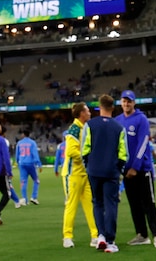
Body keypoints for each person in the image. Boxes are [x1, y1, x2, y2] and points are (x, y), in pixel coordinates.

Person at [115, 89, 156, 248]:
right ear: (121, 102)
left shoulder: (141, 119)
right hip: (126, 170)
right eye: (124, 101)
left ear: (134, 102)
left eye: (129, 101)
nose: (126, 103)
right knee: (134, 204)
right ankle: (142, 235)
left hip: (142, 169)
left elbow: (143, 143)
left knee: (149, 202)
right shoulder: (117, 120)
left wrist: (135, 167)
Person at [82, 94, 128, 253]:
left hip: (94, 170)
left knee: (97, 203)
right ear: (113, 108)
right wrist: (119, 169)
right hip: (111, 171)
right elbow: (123, 154)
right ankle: (110, 241)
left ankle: (101, 235)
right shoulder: (119, 127)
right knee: (111, 204)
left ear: (99, 107)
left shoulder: (89, 125)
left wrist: (88, 165)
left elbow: (84, 149)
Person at [61, 102, 99, 248]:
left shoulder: (85, 128)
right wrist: (88, 157)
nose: (89, 113)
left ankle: (95, 235)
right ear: (81, 113)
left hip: (84, 173)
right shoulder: (74, 129)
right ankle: (67, 236)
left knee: (90, 205)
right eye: (87, 111)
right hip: (73, 174)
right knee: (71, 205)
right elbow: (71, 152)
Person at [15, 129, 42, 205]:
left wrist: (17, 162)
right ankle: (34, 197)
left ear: (23, 134)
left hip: (22, 164)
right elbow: (35, 154)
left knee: (23, 181)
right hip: (30, 163)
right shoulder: (32, 143)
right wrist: (39, 164)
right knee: (36, 180)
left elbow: (17, 155)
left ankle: (24, 199)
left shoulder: (19, 143)